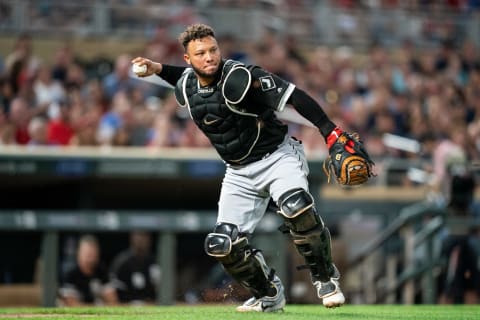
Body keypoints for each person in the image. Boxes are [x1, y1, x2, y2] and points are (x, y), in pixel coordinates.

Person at [131, 23, 372, 312]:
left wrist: (329, 132)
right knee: (222, 244)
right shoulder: (186, 84)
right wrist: (157, 67)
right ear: (188, 59)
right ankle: (268, 294)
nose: (209, 57)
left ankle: (325, 278)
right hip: (237, 172)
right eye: (200, 53)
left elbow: (294, 95)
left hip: (277, 157)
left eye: (213, 50)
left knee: (296, 207)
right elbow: (180, 77)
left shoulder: (241, 77)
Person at [58, 235, 118, 306]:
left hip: (99, 314)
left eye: (93, 253)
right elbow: (71, 304)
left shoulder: (102, 272)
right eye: (87, 253)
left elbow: (113, 300)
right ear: (79, 253)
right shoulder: (70, 274)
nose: (90, 257)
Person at [110, 231, 160, 304]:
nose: (141, 239)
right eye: (138, 236)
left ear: (150, 239)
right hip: (127, 305)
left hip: (152, 304)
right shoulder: (122, 261)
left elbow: (160, 287)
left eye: (144, 236)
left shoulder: (154, 261)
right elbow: (114, 289)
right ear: (132, 238)